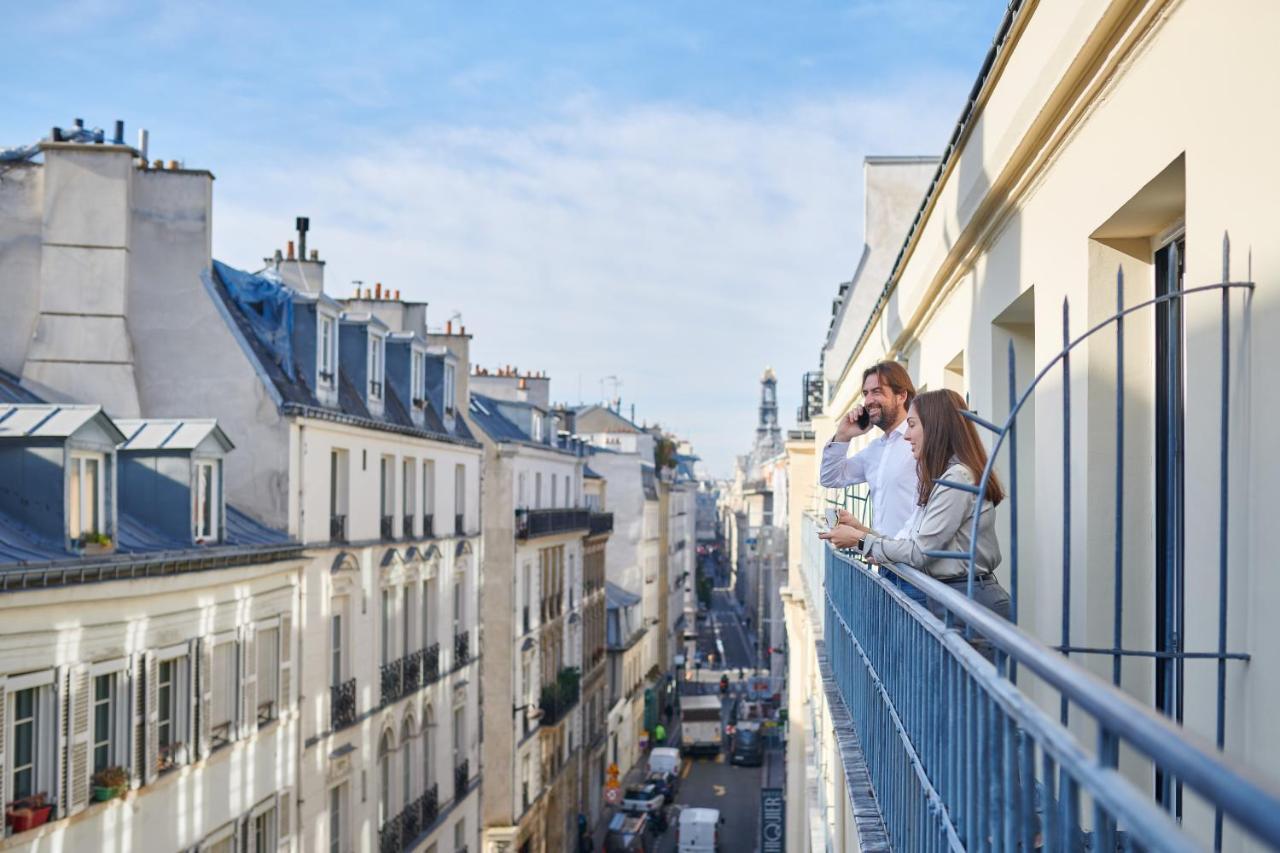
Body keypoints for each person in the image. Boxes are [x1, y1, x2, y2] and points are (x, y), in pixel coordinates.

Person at [819, 388, 1011, 638]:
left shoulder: (958, 477)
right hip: (959, 599)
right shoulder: (947, 477)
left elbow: (920, 552)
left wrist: (860, 540)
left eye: (912, 425)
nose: (907, 436)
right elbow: (913, 544)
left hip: (971, 604)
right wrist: (860, 531)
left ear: (936, 427)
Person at [820, 361, 923, 601]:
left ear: (901, 395)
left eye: (877, 391)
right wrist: (843, 435)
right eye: (865, 393)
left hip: (918, 573)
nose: (868, 400)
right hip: (886, 566)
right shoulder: (875, 449)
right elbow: (830, 477)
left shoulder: (921, 439)